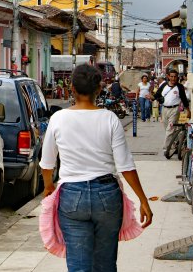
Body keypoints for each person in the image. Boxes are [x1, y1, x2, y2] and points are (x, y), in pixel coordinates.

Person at [40, 64, 153, 272]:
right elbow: (126, 166)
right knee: (106, 264)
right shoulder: (109, 118)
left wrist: (49, 187)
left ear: (71, 89)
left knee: (79, 266)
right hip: (107, 196)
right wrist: (143, 200)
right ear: (99, 89)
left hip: (72, 196)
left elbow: (47, 164)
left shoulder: (58, 119)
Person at [153, 69, 190, 153]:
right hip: (164, 109)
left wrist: (188, 110)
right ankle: (176, 143)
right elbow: (157, 95)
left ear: (177, 77)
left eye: (175, 77)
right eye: (171, 76)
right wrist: (153, 98)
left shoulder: (180, 87)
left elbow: (184, 99)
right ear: (168, 77)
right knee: (167, 129)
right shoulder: (164, 85)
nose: (173, 78)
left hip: (175, 109)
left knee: (170, 129)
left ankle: (166, 148)